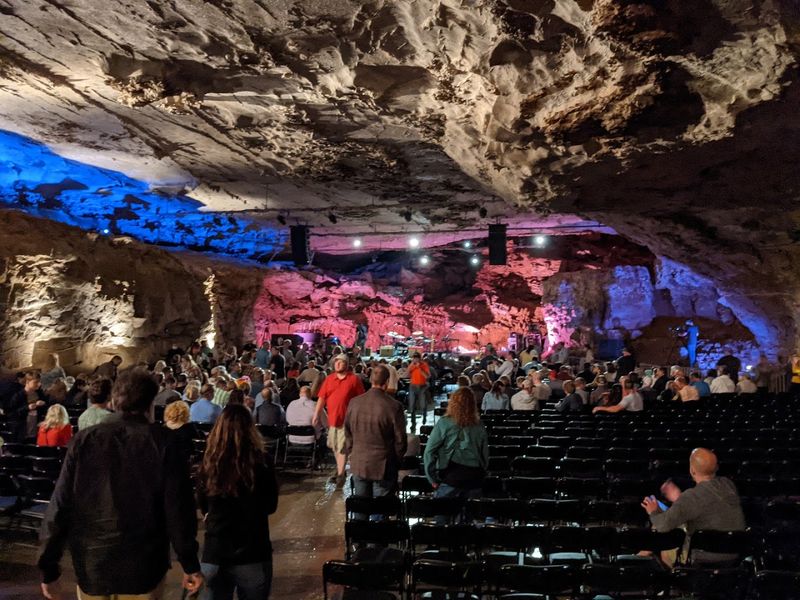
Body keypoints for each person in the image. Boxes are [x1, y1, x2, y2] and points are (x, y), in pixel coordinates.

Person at [38, 370, 202, 599]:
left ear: (114, 402)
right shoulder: (164, 442)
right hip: (143, 565)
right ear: (150, 404)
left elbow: (60, 505)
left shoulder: (85, 440)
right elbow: (178, 509)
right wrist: (189, 563)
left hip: (93, 564)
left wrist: (49, 567)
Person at [197, 404, 279, 599]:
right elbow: (271, 505)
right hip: (252, 549)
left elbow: (202, 503)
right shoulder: (262, 461)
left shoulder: (209, 461)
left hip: (216, 551)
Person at [641, 448, 745, 566]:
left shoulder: (691, 497)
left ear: (692, 470)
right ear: (716, 468)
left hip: (702, 559)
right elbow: (707, 506)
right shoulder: (728, 485)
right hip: (734, 555)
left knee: (660, 529)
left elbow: (663, 526)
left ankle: (667, 574)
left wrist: (653, 511)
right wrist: (679, 500)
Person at [344, 365, 407, 510]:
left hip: (360, 461)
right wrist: (396, 460)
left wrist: (352, 451)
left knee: (361, 507)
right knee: (381, 510)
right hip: (383, 465)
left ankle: (359, 532)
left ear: (371, 379)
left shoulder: (354, 403)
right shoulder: (394, 406)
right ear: (386, 382)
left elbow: (347, 432)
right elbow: (400, 440)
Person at [423, 387, 488, 500]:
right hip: (474, 476)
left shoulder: (444, 423)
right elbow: (485, 455)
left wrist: (432, 478)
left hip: (451, 475)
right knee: (469, 514)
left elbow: (429, 452)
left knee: (442, 514)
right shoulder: (479, 425)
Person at [313, 355, 365, 488]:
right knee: (335, 446)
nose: (337, 364)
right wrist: (316, 414)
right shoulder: (329, 379)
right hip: (332, 419)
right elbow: (322, 398)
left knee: (341, 447)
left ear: (346, 365)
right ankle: (340, 470)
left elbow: (360, 399)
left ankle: (341, 474)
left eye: (341, 362)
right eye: (336, 362)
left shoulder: (353, 379)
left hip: (346, 420)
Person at [6, 371, 48, 442]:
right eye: (36, 382)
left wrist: (43, 404)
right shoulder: (18, 396)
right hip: (22, 431)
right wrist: (27, 408)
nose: (39, 384)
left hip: (37, 430)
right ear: (27, 382)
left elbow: (46, 409)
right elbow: (12, 414)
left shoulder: (40, 393)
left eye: (39, 382)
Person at [407, 353, 431, 427]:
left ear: (420, 359)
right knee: (412, 404)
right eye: (414, 358)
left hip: (422, 386)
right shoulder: (411, 365)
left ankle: (424, 418)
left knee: (422, 404)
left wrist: (419, 368)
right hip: (413, 386)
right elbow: (407, 375)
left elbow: (427, 376)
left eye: (417, 358)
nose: (415, 360)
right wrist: (413, 367)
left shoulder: (424, 365)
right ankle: (412, 421)